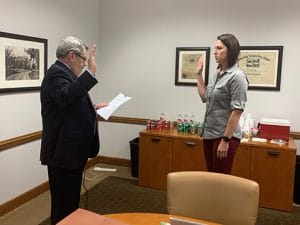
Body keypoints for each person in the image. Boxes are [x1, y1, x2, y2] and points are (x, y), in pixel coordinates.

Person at [40, 36, 108, 225]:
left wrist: (93, 110)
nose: (85, 64)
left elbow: (69, 105)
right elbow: (64, 96)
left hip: (71, 153)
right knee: (63, 208)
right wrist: (91, 73)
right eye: (83, 60)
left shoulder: (67, 75)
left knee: (70, 205)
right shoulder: (56, 73)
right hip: (62, 154)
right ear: (71, 56)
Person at [196, 33, 248, 174]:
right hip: (209, 134)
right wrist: (199, 75)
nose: (214, 52)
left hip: (224, 137)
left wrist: (225, 141)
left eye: (219, 48)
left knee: (221, 179)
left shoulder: (237, 77)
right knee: (212, 175)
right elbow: (204, 96)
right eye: (214, 48)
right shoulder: (218, 73)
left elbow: (237, 111)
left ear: (230, 51)